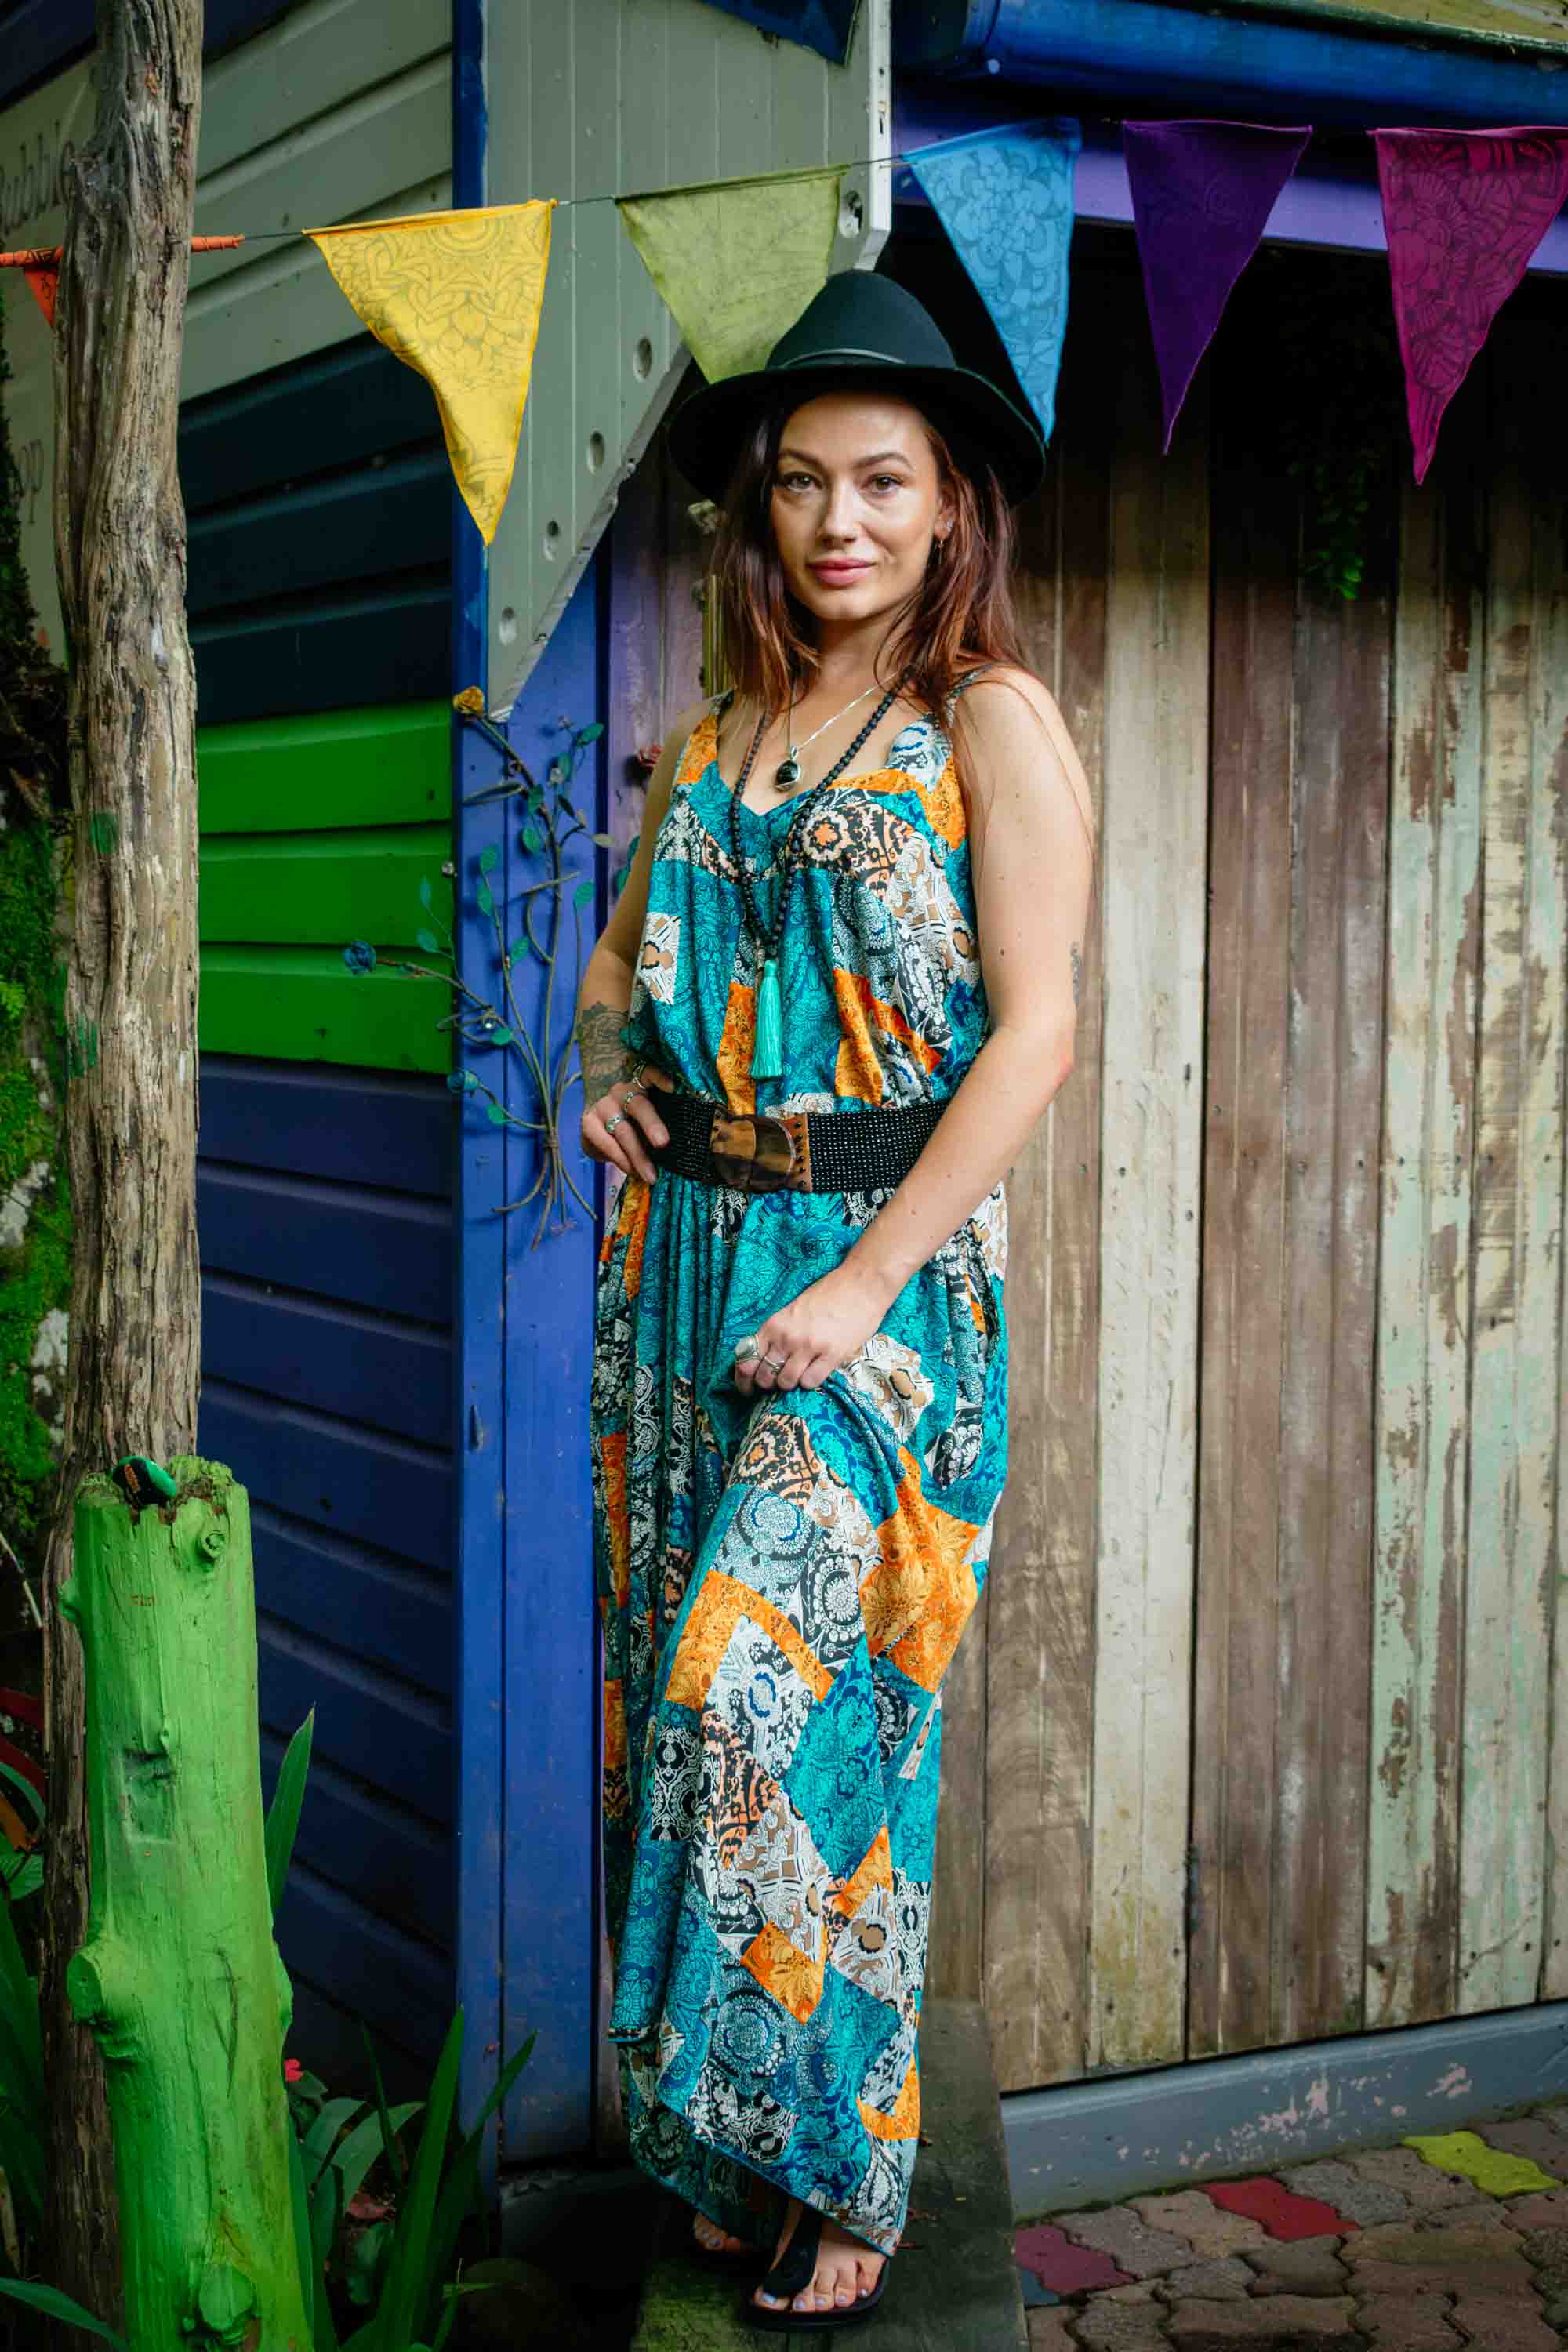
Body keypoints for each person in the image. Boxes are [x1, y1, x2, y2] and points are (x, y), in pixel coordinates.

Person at [573, 270, 1094, 2332]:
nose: (840, 521)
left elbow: (1036, 1037)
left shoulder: (989, 723)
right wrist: (602, 1066)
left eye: (884, 481)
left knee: (786, 1697)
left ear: (952, 502)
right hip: (693, 1269)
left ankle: (846, 2156)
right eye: (802, 483)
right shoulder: (718, 740)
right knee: (678, 1714)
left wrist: (865, 1289)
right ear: (762, 511)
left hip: (890, 1282)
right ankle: (734, 2150)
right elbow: (622, 965)